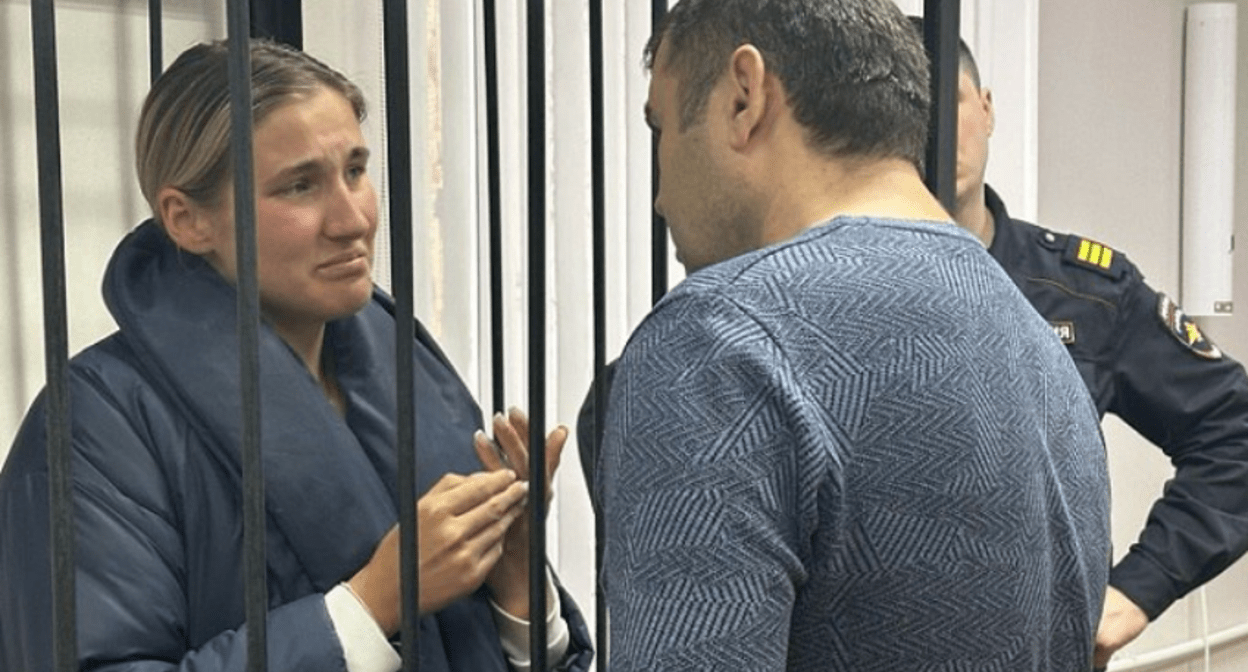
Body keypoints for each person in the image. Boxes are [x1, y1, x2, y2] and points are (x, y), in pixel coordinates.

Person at [0, 39, 592, 672]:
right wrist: (372, 605)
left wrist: (516, 588)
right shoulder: (95, 426)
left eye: (356, 170)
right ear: (188, 220)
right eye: (300, 186)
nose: (353, 219)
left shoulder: (409, 370)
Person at [595, 0, 1111, 669]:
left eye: (660, 128)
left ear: (745, 97)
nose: (661, 196)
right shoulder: (1037, 345)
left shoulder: (720, 343)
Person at [925, 19, 1248, 669]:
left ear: (986, 109)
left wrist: (1137, 591)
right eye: (907, 109)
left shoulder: (1083, 292)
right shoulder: (811, 296)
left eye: (947, 102)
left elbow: (1233, 430)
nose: (930, 130)